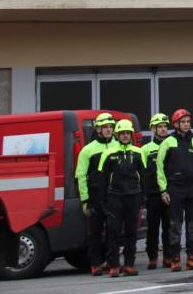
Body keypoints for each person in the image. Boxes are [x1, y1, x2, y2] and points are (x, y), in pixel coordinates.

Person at [157, 109, 193, 272]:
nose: (186, 125)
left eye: (188, 122)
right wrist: (164, 190)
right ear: (176, 124)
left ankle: (192, 258)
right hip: (175, 188)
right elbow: (160, 169)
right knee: (175, 225)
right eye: (183, 122)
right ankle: (175, 259)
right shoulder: (168, 142)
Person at [98, 119, 145, 277]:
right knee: (113, 232)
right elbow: (102, 179)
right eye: (122, 133)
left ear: (131, 135)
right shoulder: (108, 153)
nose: (125, 136)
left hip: (133, 197)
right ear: (117, 135)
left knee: (132, 232)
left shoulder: (138, 153)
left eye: (128, 133)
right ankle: (113, 266)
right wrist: (103, 200)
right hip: (115, 198)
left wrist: (142, 198)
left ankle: (129, 265)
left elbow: (144, 177)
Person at [75, 112, 115, 276]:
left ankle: (111, 262)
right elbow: (81, 176)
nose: (108, 130)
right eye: (104, 127)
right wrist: (85, 200)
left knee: (114, 231)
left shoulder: (118, 146)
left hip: (114, 195)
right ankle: (96, 263)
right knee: (96, 231)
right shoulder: (88, 150)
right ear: (97, 129)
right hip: (95, 197)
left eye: (110, 127)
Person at [141, 113, 172, 269]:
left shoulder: (172, 145)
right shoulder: (146, 149)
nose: (162, 129)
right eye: (159, 127)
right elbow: (141, 172)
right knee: (152, 228)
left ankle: (168, 256)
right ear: (153, 129)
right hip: (153, 195)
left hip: (169, 193)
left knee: (169, 227)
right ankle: (152, 257)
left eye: (165, 126)